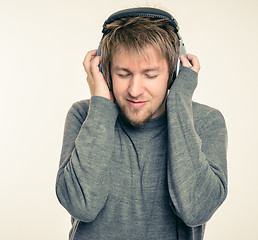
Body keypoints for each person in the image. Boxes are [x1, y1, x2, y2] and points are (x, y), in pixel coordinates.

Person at [55, 7, 228, 240]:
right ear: (105, 73)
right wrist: (100, 103)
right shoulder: (85, 115)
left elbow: (196, 210)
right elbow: (81, 205)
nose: (135, 91)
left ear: (173, 73)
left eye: (150, 75)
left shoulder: (206, 122)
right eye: (123, 74)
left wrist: (178, 101)